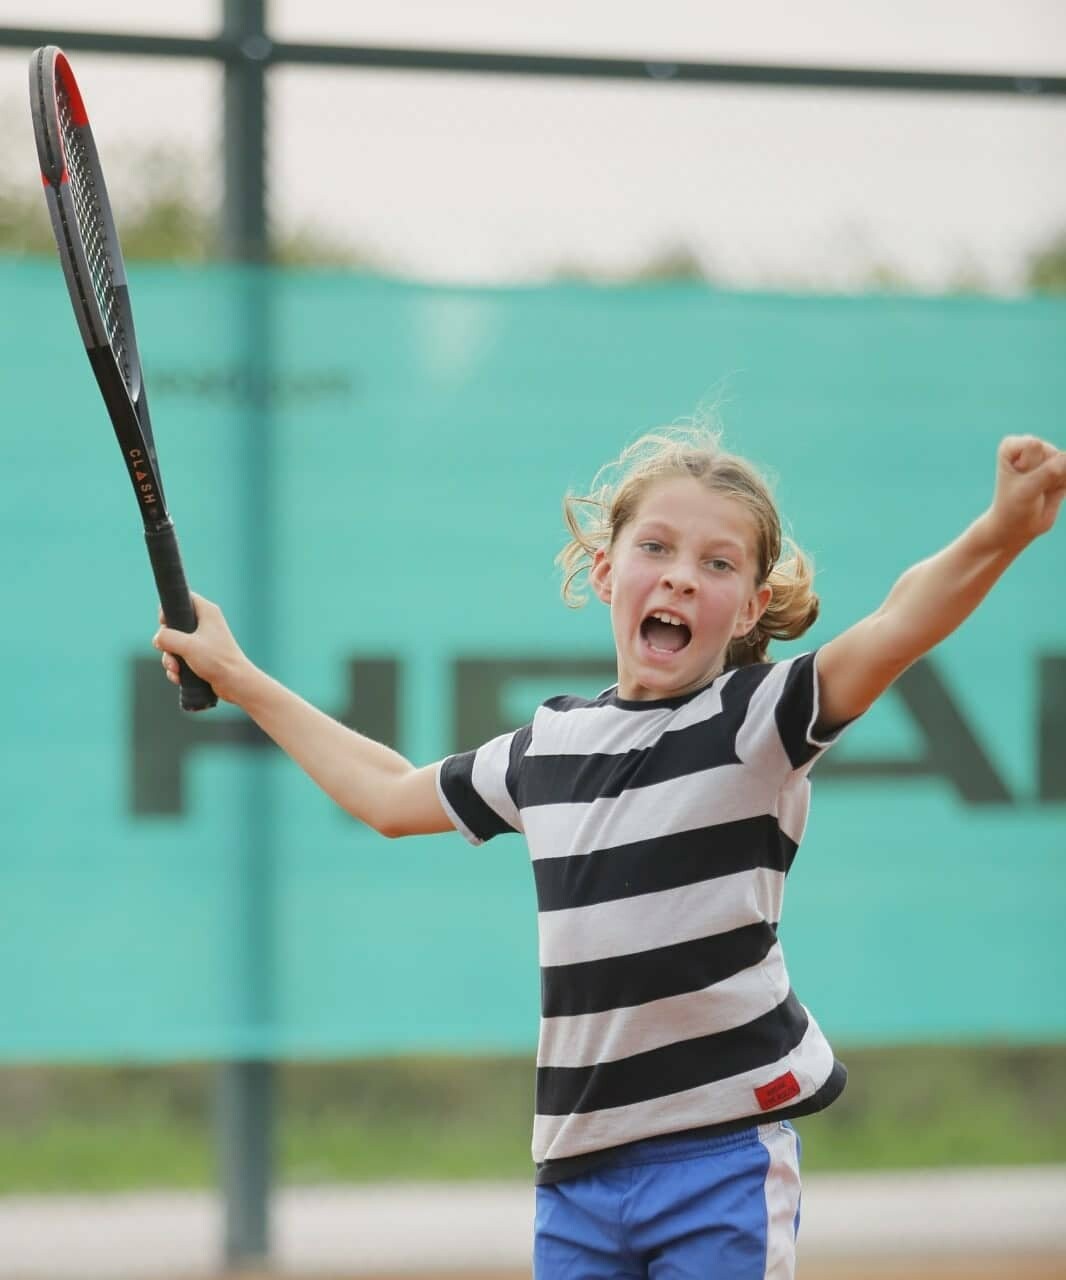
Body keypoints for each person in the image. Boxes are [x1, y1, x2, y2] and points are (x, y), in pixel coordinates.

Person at [153, 425, 1065, 1279]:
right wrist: (238, 676)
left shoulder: (758, 721)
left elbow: (900, 625)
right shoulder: (547, 748)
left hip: (719, 1159)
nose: (679, 578)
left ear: (748, 604)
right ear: (605, 568)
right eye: (656, 549)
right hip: (576, 1178)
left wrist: (1002, 529)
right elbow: (388, 796)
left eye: (716, 564)